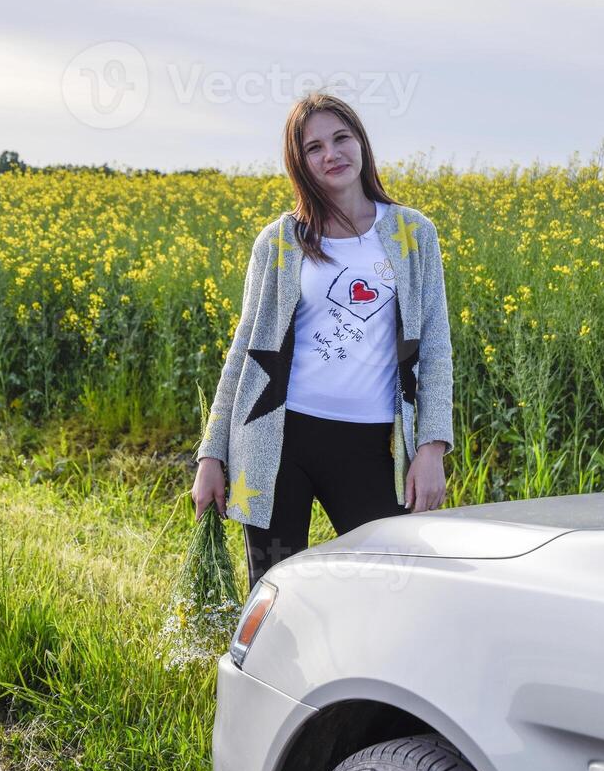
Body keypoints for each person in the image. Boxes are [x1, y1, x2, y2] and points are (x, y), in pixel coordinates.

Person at [191, 91, 453, 591]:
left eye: (341, 138)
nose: (331, 154)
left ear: (362, 144)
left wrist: (431, 448)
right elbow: (245, 348)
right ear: (300, 163)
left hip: (374, 444)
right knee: (273, 592)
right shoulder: (280, 240)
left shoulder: (414, 234)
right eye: (314, 148)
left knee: (391, 587)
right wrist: (211, 455)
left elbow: (436, 347)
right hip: (277, 439)